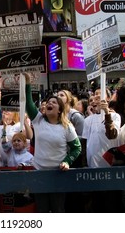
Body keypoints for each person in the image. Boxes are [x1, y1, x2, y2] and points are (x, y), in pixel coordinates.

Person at [23, 73, 81, 213]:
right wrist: (28, 83)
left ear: (60, 109)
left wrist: (67, 161)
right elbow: (29, 103)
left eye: (54, 102)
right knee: (42, 210)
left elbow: (76, 148)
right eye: (49, 101)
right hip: (39, 173)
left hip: (58, 175)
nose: (50, 103)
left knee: (57, 210)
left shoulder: (67, 127)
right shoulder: (38, 120)